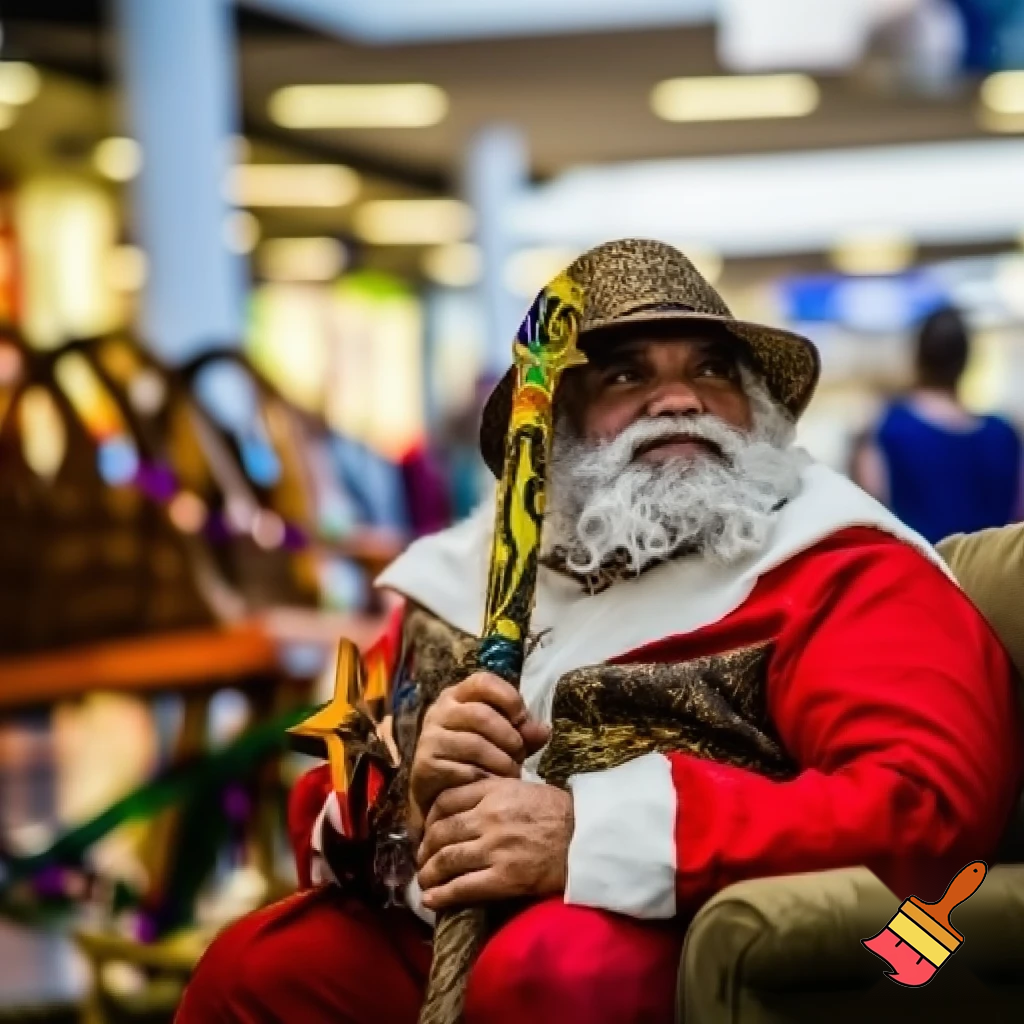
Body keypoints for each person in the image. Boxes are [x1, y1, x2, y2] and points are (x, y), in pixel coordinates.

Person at [176, 240, 1023, 1024]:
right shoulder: (459, 584)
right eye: (626, 374)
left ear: (758, 408)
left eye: (712, 369)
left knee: (553, 971)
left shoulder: (837, 567)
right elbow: (329, 785)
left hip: (683, 945)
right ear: (554, 429)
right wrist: (412, 802)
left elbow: (926, 807)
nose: (679, 398)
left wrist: (593, 835)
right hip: (439, 942)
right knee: (256, 971)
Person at [852, 306, 1023, 544]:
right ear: (966, 360)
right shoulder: (1003, 433)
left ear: (918, 357)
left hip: (919, 564)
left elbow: (871, 509)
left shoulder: (889, 428)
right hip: (991, 566)